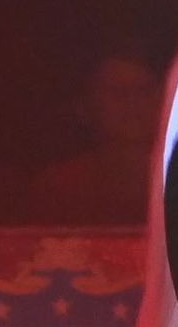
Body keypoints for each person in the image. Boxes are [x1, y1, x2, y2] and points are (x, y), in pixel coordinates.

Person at [16, 55, 169, 227]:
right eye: (117, 92)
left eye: (143, 91)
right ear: (84, 107)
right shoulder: (59, 188)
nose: (132, 102)